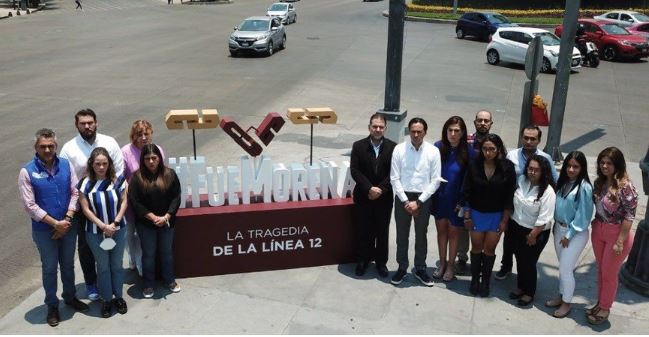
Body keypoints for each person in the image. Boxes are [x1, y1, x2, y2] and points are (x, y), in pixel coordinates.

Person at [18, 129, 89, 327]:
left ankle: (70, 297)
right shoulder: (27, 171)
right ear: (36, 148)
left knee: (68, 265)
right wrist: (55, 223)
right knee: (50, 268)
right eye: (43, 146)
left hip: (68, 225)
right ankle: (52, 305)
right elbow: (29, 205)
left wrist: (66, 219)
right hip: (44, 230)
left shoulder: (66, 165)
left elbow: (75, 192)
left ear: (56, 146)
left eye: (51, 146)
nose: (47, 149)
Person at [60, 108, 124, 301]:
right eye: (83, 123)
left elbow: (119, 171)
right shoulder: (69, 148)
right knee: (87, 247)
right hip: (85, 208)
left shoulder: (109, 142)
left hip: (111, 205)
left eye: (90, 122)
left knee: (113, 247)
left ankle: (113, 284)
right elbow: (67, 178)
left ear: (96, 123)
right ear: (76, 125)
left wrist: (112, 198)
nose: (87, 126)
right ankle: (91, 283)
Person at [497, 125, 558, 280]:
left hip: (534, 208)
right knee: (509, 240)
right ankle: (506, 266)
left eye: (533, 139)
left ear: (539, 140)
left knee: (527, 252)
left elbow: (554, 182)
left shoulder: (546, 159)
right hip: (513, 206)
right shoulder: (512, 156)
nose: (529, 141)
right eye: (526, 138)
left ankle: (525, 276)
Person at [587, 147, 638, 325]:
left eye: (609, 163)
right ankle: (600, 303)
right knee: (601, 270)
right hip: (599, 230)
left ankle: (605, 308)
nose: (604, 166)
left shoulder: (626, 187)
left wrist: (620, 241)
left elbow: (629, 216)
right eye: (602, 162)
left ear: (617, 164)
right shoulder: (599, 183)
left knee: (609, 273)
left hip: (617, 235)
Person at [390, 118, 442, 287]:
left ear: (425, 132)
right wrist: (406, 201)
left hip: (423, 198)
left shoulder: (433, 152)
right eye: (413, 131)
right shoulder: (399, 149)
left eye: (420, 131)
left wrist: (418, 202)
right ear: (409, 131)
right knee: (401, 235)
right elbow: (394, 178)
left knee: (421, 235)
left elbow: (435, 180)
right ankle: (402, 267)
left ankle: (420, 268)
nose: (416, 134)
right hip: (402, 197)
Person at [462, 133, 516, 297]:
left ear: (498, 149)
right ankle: (474, 280)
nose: (488, 152)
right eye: (485, 149)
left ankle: (485, 281)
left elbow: (509, 197)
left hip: (497, 215)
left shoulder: (507, 167)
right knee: (477, 247)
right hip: (477, 214)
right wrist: (467, 216)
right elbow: (467, 192)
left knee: (489, 249)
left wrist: (504, 220)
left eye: (492, 149)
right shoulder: (473, 165)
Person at [78, 147, 128, 318]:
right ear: (91, 164)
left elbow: (124, 203)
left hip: (118, 230)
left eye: (104, 163)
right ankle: (106, 299)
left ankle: (119, 297)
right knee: (103, 267)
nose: (101, 167)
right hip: (95, 232)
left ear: (109, 164)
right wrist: (102, 226)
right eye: (98, 164)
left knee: (117, 265)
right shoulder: (84, 184)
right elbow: (85, 209)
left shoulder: (118, 180)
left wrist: (114, 223)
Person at [128, 144, 182, 298]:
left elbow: (176, 197)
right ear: (142, 160)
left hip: (167, 222)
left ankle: (169, 280)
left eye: (154, 158)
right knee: (149, 254)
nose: (151, 161)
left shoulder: (169, 174)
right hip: (146, 224)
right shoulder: (137, 178)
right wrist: (152, 217)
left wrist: (167, 216)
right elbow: (135, 201)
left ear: (159, 158)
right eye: (147, 159)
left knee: (166, 253)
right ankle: (148, 284)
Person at [545, 151, 593, 318]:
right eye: (569, 166)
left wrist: (569, 235)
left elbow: (584, 216)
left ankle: (567, 303)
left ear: (582, 168)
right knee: (563, 267)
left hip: (575, 234)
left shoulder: (584, 187)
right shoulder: (563, 182)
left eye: (576, 167)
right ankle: (561, 296)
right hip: (559, 229)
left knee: (566, 269)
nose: (571, 169)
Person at [350, 114, 396, 278]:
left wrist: (380, 190)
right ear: (369, 127)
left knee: (382, 231)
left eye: (381, 127)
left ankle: (381, 263)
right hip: (363, 196)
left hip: (384, 198)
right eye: (374, 126)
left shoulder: (393, 147)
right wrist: (369, 188)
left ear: (385, 128)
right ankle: (363, 260)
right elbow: (355, 170)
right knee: (364, 229)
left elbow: (394, 173)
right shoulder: (358, 146)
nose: (377, 130)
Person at [430, 116, 475, 282]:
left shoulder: (470, 153)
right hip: (440, 198)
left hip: (457, 201)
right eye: (450, 130)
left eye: (457, 131)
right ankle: (441, 264)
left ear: (462, 133)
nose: (453, 134)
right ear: (445, 131)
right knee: (441, 232)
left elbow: (470, 180)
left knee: (454, 233)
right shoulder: (438, 147)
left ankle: (450, 266)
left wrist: (464, 202)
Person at [508, 155, 556, 306]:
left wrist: (533, 234)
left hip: (535, 231)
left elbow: (545, 217)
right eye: (530, 169)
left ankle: (529, 292)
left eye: (536, 170)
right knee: (519, 258)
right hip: (516, 226)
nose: (532, 172)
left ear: (543, 172)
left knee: (529, 261)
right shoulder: (521, 180)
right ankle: (521, 287)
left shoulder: (548, 192)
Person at [121, 120, 165, 276]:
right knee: (130, 233)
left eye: (146, 133)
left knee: (143, 234)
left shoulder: (157, 149)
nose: (143, 137)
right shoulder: (126, 151)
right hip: (132, 200)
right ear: (133, 136)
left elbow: (162, 173)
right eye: (139, 134)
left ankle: (141, 263)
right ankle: (133, 258)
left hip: (152, 201)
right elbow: (122, 177)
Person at [457, 110, 493, 274]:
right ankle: (462, 258)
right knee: (464, 228)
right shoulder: (465, 141)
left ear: (491, 124)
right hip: (466, 192)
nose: (483, 123)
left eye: (486, 121)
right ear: (474, 122)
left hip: (485, 195)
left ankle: (479, 260)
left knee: (482, 230)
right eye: (480, 120)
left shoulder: (495, 143)